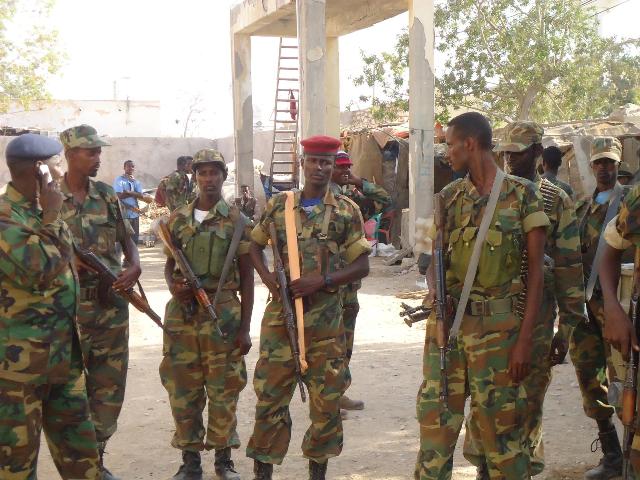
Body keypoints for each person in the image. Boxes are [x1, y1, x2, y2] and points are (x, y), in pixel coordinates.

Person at [415, 112, 549, 480]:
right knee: (435, 431)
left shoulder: (523, 196)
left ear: (469, 144)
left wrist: (524, 342)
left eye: (450, 144)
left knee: (503, 438)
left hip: (500, 336)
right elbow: (433, 261)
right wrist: (436, 293)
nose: (447, 153)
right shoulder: (449, 197)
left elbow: (536, 273)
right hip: (449, 334)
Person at [463, 121, 586, 478]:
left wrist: (567, 329)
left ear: (536, 152)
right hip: (489, 322)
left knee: (528, 403)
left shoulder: (555, 200)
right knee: (484, 402)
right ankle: (484, 468)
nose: (510, 161)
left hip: (537, 323)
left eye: (518, 154)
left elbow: (569, 269)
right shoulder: (489, 193)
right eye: (506, 154)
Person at [246, 135, 371, 480]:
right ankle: (263, 473)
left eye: (326, 162)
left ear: (333, 167)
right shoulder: (279, 206)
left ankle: (318, 472)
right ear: (303, 163)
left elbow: (361, 266)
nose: (320, 168)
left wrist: (324, 281)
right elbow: (253, 246)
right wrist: (269, 278)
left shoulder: (347, 210)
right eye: (314, 161)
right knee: (270, 398)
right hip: (280, 319)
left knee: (326, 403)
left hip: (327, 322)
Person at [0, 134, 100, 479]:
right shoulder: (5, 216)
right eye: (57, 163)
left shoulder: (39, 212)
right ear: (40, 169)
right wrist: (54, 214)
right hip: (18, 371)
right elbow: (39, 268)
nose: (62, 172)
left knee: (83, 460)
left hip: (63, 360)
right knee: (17, 467)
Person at [160, 149, 254, 480]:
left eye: (215, 173)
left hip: (223, 313)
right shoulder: (177, 220)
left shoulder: (237, 221)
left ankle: (224, 461)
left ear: (223, 177)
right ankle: (190, 462)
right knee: (182, 389)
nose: (208, 179)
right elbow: (170, 269)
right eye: (202, 173)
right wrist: (175, 287)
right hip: (182, 317)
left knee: (224, 388)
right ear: (194, 177)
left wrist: (245, 328)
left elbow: (247, 277)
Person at [59, 124, 142, 480]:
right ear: (70, 154)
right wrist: (65, 262)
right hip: (67, 312)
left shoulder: (107, 195)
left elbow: (128, 239)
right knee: (68, 388)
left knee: (108, 386)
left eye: (98, 152)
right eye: (91, 152)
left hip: (110, 306)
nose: (98, 158)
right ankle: (78, 465)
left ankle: (96, 459)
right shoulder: (46, 200)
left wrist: (134, 266)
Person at [574, 137, 632, 479]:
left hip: (618, 307)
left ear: (618, 163)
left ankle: (630, 456)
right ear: (592, 165)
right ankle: (611, 454)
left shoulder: (629, 202)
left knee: (624, 380)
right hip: (584, 309)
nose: (604, 168)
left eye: (609, 162)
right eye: (599, 162)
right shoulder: (583, 208)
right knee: (588, 377)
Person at [329, 150, 391, 415]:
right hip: (326, 282)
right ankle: (328, 398)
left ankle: (338, 393)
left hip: (350, 283)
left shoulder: (353, 199)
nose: (344, 171)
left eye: (347, 167)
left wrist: (357, 181)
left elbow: (385, 199)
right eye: (339, 167)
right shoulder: (317, 199)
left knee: (346, 342)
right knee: (328, 342)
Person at [113, 160, 153, 244]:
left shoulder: (136, 182)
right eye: (128, 166)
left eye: (132, 166)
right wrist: (135, 193)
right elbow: (119, 195)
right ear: (124, 168)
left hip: (135, 212)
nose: (131, 168)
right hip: (123, 214)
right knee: (123, 239)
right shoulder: (119, 180)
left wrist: (128, 192)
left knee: (134, 239)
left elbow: (141, 196)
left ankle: (132, 256)